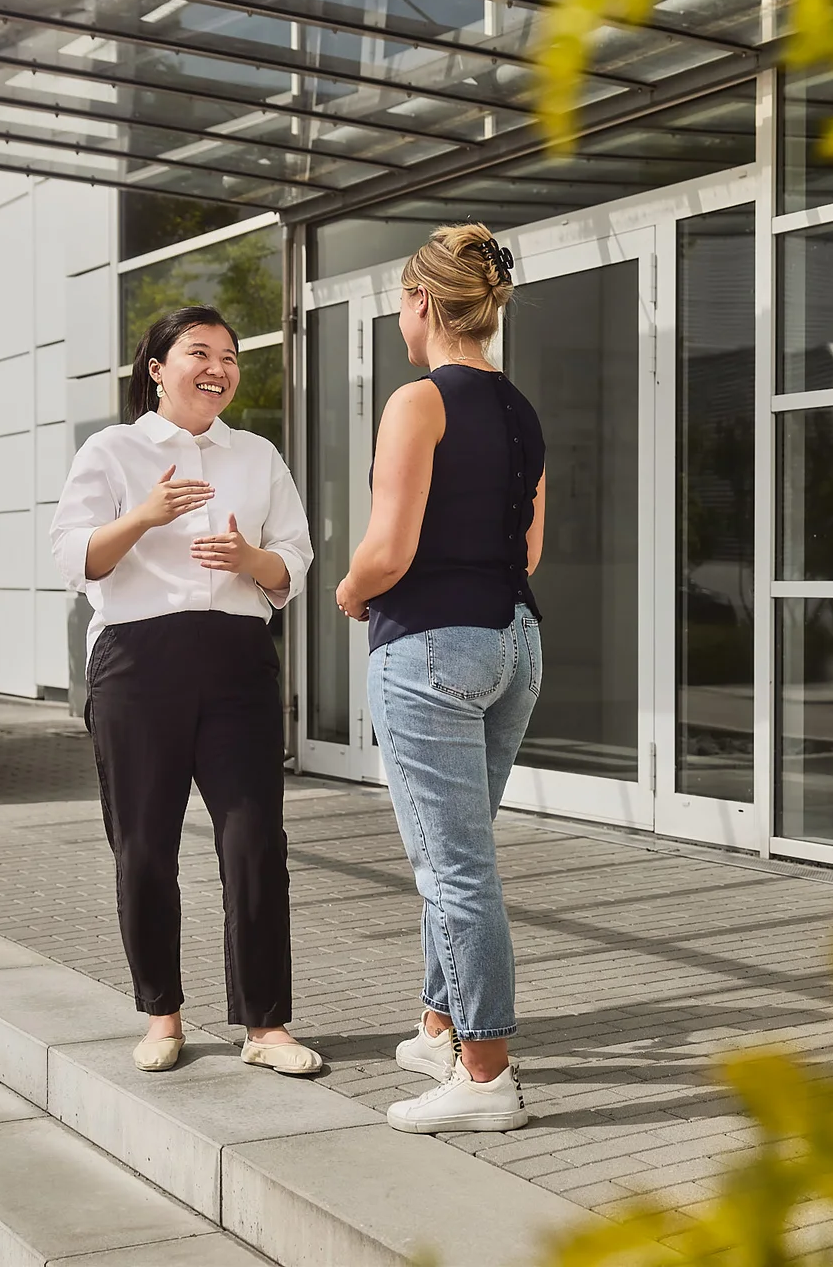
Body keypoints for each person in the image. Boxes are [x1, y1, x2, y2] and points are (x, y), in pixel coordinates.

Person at [50, 304, 321, 1077]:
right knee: (144, 848)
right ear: (157, 368)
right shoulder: (113, 450)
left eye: (231, 356)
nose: (220, 367)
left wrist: (250, 558)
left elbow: (292, 565)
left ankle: (266, 1027)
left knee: (255, 844)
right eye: (199, 352)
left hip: (237, 659)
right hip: (139, 663)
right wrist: (143, 515)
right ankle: (161, 1015)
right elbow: (76, 560)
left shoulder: (258, 455)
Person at [336, 223, 546, 1134]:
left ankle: (487, 1075)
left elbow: (389, 550)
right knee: (462, 854)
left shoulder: (416, 402)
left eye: (399, 299)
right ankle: (438, 1026)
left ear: (421, 303)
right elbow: (533, 546)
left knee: (453, 870)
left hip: (430, 649)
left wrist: (348, 591)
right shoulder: (522, 411)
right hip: (515, 643)